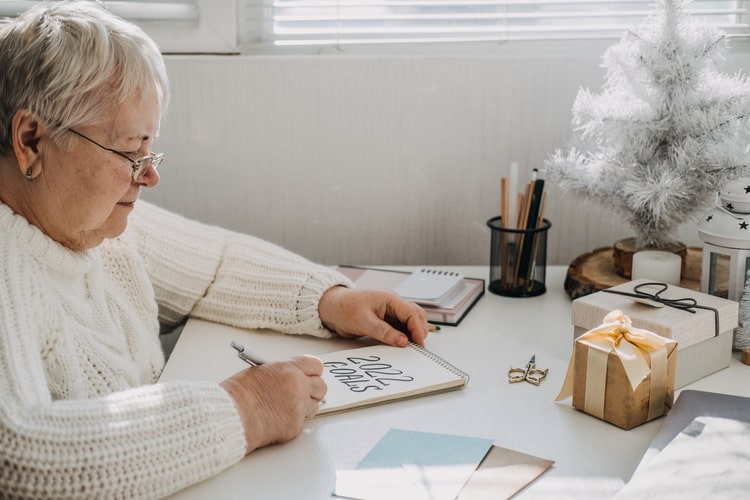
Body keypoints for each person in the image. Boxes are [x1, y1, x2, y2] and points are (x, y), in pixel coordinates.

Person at [0, 2, 431, 498]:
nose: (150, 175)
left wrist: (330, 301)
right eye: (129, 152)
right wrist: (246, 410)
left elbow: (215, 266)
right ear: (31, 140)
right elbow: (18, 457)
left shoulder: (86, 225)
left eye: (150, 150)